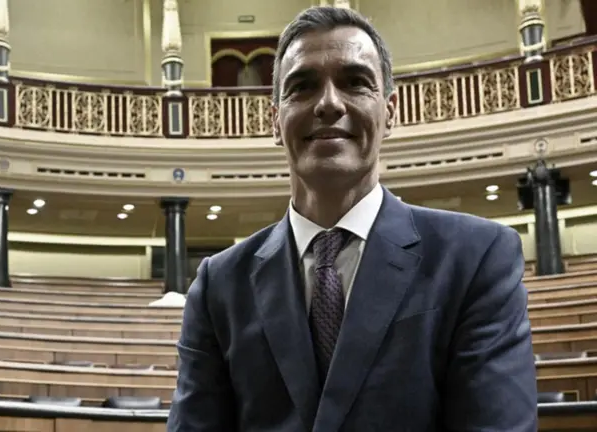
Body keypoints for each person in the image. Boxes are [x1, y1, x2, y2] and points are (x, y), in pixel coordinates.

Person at [167, 6, 538, 432]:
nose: (328, 103)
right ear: (275, 121)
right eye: (303, 87)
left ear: (390, 113)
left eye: (355, 82)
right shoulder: (218, 284)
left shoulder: (477, 258)